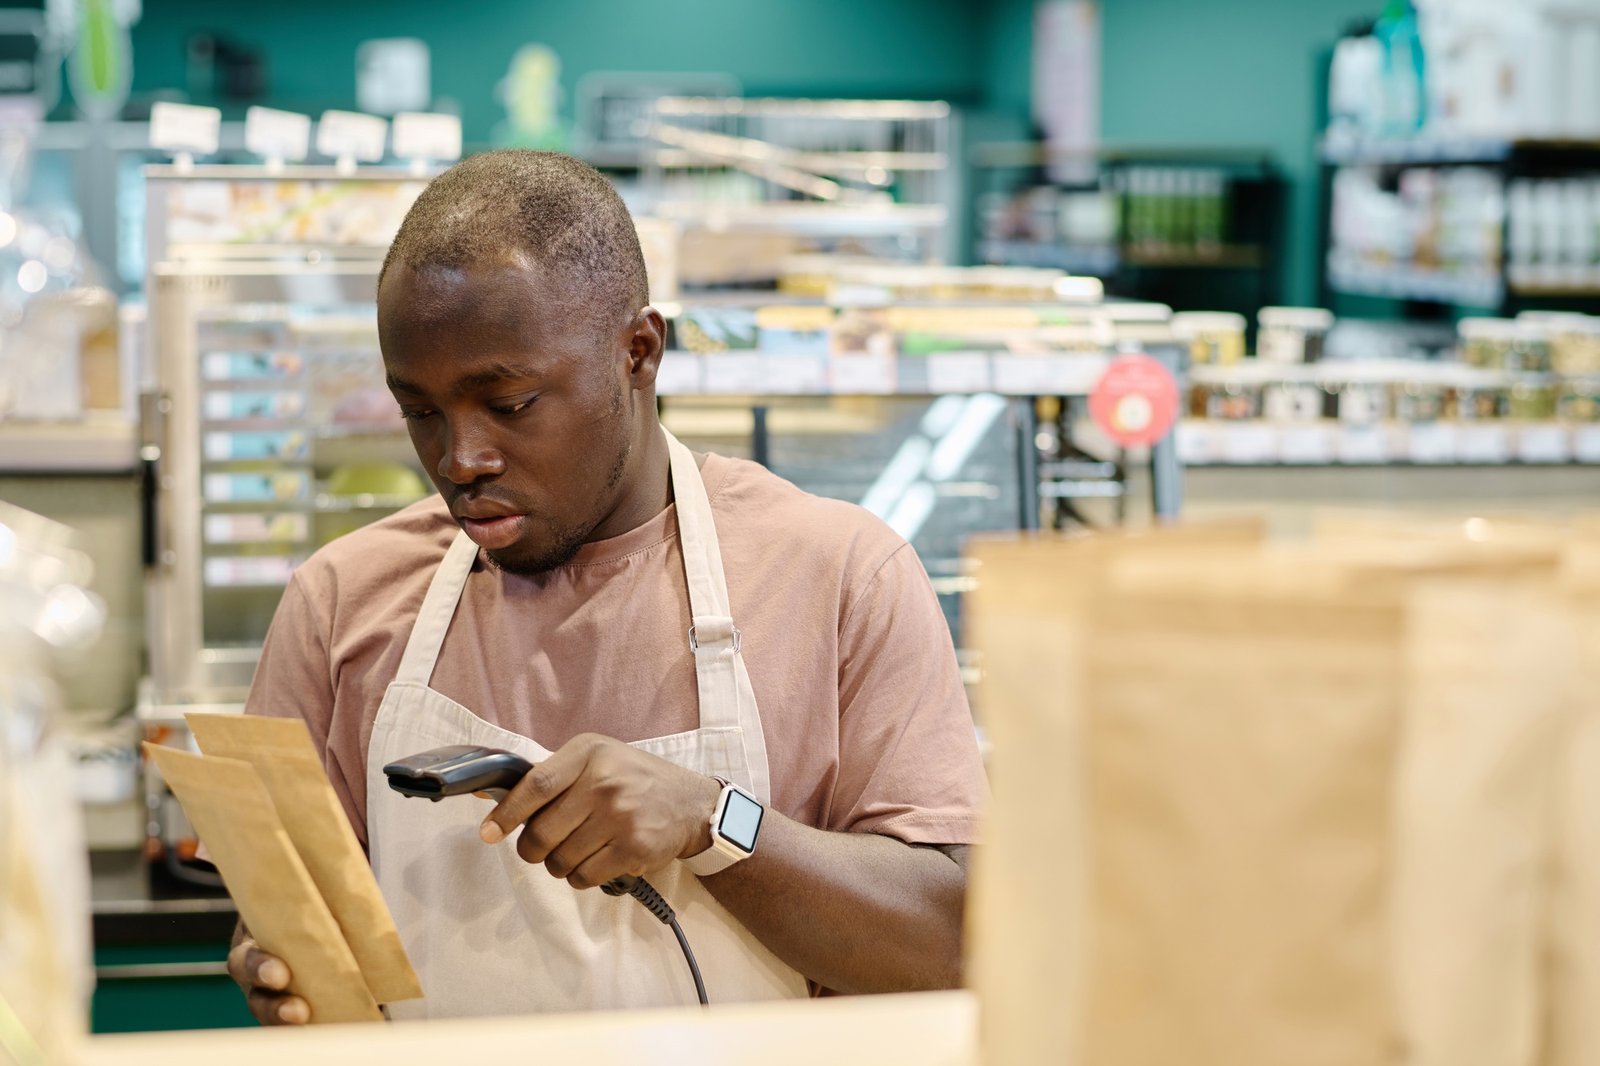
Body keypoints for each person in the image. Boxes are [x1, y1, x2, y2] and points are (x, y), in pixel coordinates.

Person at [227, 150, 987, 1023]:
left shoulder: (839, 576)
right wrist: (276, 962)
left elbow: (952, 943)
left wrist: (716, 823)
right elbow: (287, 921)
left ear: (638, 351)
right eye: (420, 411)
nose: (459, 459)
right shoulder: (340, 602)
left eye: (509, 404)